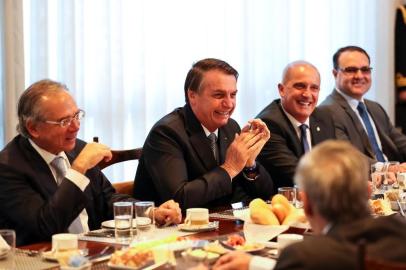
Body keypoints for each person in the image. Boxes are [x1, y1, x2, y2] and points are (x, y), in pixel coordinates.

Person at [0, 80, 182, 246]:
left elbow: (107, 199)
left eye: (77, 116)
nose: (76, 126)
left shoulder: (76, 148)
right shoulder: (8, 167)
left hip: (90, 252)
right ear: (33, 128)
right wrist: (78, 169)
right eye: (65, 121)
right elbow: (46, 227)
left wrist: (151, 212)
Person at [212, 140, 406, 270]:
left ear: (307, 205)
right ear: (368, 193)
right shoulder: (400, 236)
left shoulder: (304, 257)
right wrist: (255, 263)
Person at [134, 58, 274, 210]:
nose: (229, 104)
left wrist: (250, 164)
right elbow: (178, 199)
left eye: (232, 95)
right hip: (168, 229)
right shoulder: (166, 133)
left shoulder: (230, 127)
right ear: (192, 96)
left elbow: (266, 194)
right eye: (219, 95)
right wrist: (230, 168)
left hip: (217, 224)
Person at [319, 45, 406, 162]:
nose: (359, 76)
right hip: (364, 178)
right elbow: (348, 157)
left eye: (365, 70)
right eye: (351, 70)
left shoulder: (375, 108)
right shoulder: (326, 112)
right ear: (335, 74)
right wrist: (389, 170)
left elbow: (401, 143)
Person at [256, 61, 335, 189]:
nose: (307, 94)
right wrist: (346, 184)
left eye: (314, 88)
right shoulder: (268, 124)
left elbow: (334, 161)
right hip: (282, 203)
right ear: (281, 90)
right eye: (300, 86)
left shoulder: (323, 117)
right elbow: (299, 175)